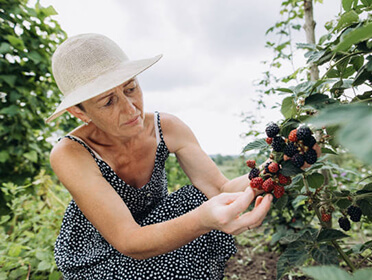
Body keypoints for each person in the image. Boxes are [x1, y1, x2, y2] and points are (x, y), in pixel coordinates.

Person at [47, 33, 272, 280]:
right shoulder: (71, 152)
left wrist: (275, 168)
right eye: (108, 102)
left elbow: (219, 188)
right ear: (79, 112)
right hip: (98, 259)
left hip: (156, 231)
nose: (131, 108)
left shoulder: (166, 127)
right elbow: (129, 240)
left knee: (195, 198)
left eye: (131, 88)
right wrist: (202, 220)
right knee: (198, 213)